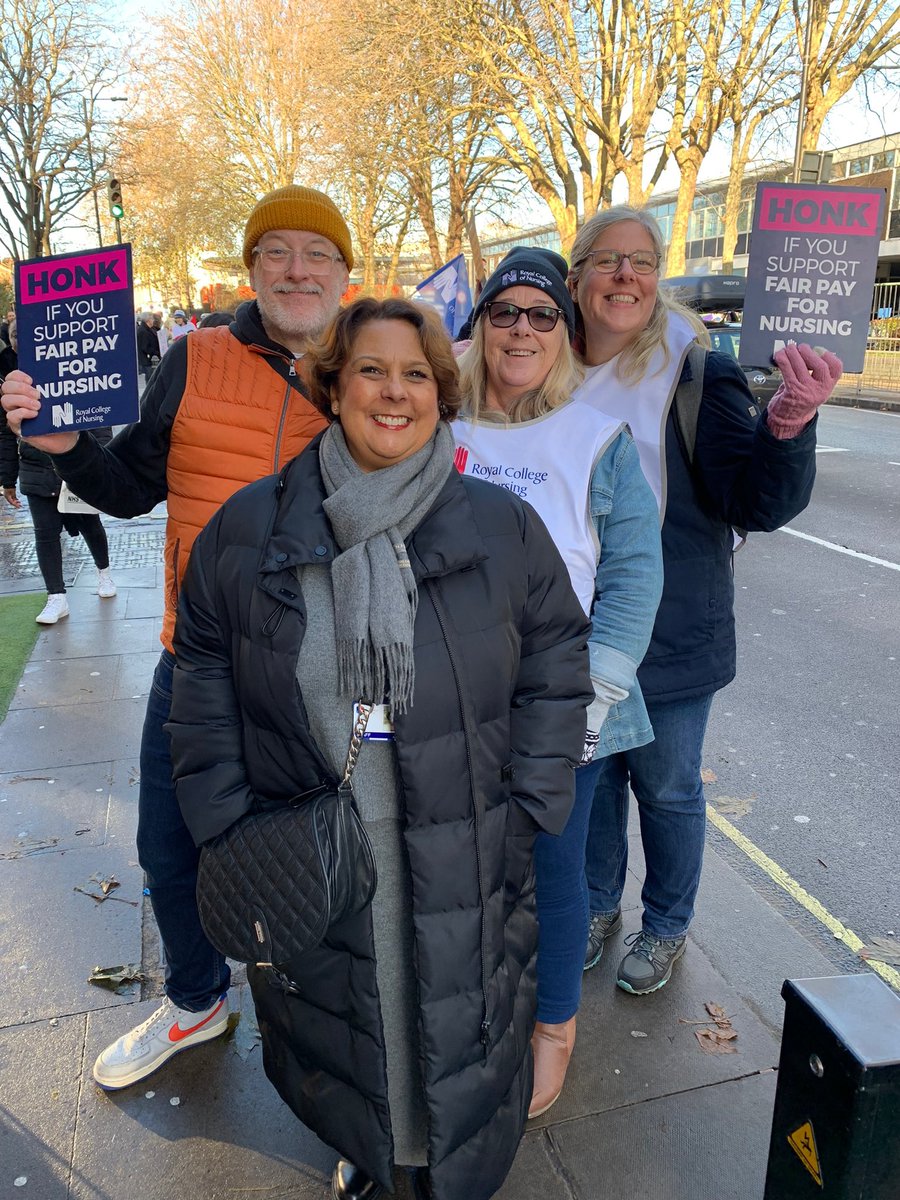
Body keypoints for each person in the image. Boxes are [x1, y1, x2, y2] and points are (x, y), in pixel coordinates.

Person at [167, 298, 593, 1200]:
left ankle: (447, 1175)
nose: (393, 393)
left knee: (460, 1038)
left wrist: (531, 804)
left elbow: (558, 658)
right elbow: (201, 674)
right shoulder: (250, 531)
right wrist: (227, 823)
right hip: (321, 851)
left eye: (415, 374)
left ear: (442, 392)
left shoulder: (498, 525)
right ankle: (376, 1158)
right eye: (371, 369)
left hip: (465, 847)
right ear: (334, 384)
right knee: (355, 1035)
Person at [1, 185, 352, 1087]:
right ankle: (197, 1003)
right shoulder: (193, 358)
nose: (298, 269)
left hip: (324, 675)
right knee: (168, 847)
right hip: (193, 661)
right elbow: (125, 487)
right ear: (251, 268)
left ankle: (339, 1058)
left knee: (326, 872)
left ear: (345, 274)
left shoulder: (372, 364)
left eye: (318, 254)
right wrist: (63, 445)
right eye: (277, 250)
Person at [569, 205, 843, 995]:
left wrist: (788, 421)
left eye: (642, 263)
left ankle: (665, 925)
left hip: (672, 632)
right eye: (608, 261)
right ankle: (595, 907)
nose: (626, 276)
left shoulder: (694, 371)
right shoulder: (543, 360)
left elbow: (753, 502)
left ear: (657, 281)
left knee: (666, 789)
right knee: (590, 790)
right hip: (573, 628)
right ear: (579, 273)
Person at [454, 249, 662, 1118]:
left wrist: (598, 696)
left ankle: (553, 1029)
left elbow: (635, 575)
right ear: (481, 326)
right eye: (506, 311)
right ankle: (472, 1007)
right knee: (459, 864)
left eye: (543, 315)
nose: (524, 330)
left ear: (563, 335)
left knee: (553, 865)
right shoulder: (439, 425)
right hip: (452, 699)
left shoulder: (597, 438)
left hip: (561, 702)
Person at [0, 318, 117, 622]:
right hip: (35, 472)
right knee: (45, 534)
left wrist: (97, 460)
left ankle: (104, 572)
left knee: (91, 525)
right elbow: (4, 434)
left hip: (76, 470)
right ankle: (56, 596)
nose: (19, 340)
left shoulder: (72, 370)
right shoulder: (10, 382)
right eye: (14, 335)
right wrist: (6, 479)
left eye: (23, 334)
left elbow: (100, 418)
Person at [136, 312, 161, 383]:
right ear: (148, 320)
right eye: (152, 319)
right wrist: (156, 352)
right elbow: (145, 347)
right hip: (148, 359)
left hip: (151, 358)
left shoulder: (150, 329)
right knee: (150, 378)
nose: (153, 320)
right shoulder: (143, 331)